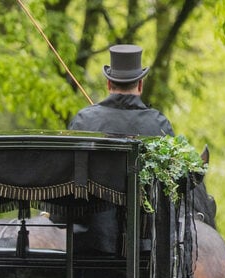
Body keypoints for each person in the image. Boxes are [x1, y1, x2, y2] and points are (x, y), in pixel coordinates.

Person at [66, 44, 175, 254]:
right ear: (140, 85)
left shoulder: (84, 121)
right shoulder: (159, 125)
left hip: (87, 247)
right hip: (145, 249)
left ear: (108, 83)